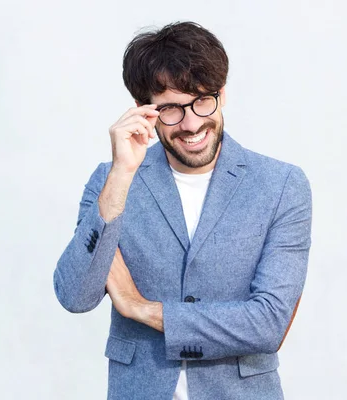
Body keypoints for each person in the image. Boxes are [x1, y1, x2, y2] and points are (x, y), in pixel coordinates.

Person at [53, 21, 313, 400]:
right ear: (146, 111)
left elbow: (268, 323)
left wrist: (143, 309)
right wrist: (122, 174)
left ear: (221, 94)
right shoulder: (111, 182)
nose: (192, 124)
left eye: (202, 101)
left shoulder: (281, 186)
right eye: (171, 109)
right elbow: (75, 296)